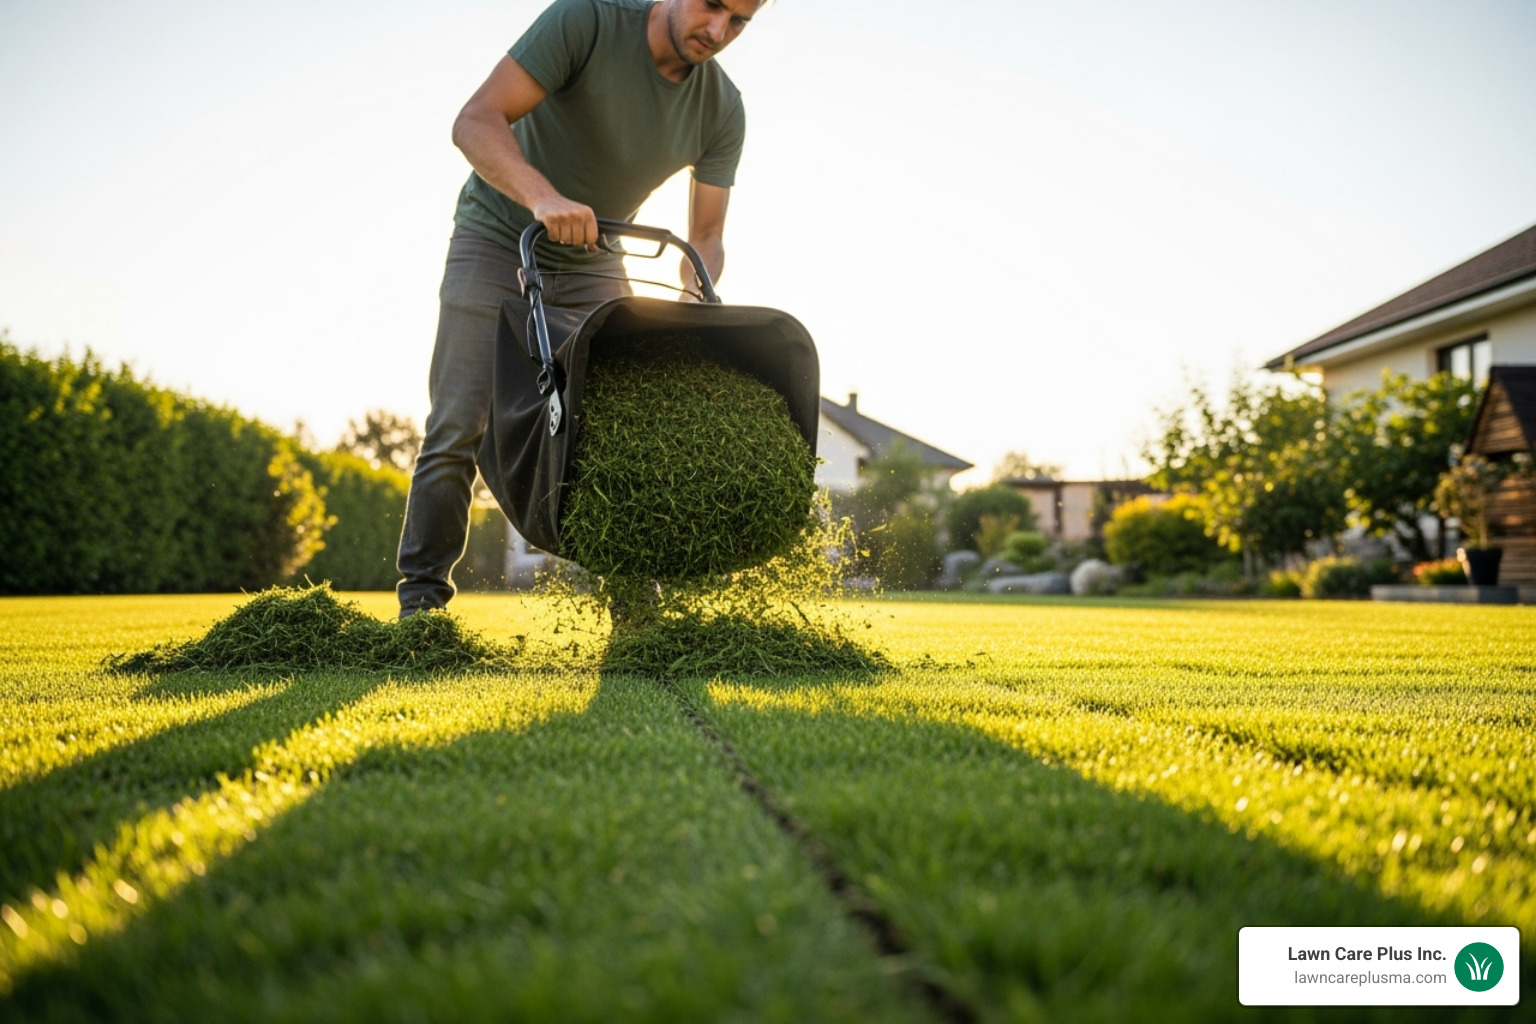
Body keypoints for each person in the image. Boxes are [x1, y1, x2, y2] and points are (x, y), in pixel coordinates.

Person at [397, 0, 764, 616]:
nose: (718, 32)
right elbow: (475, 121)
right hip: (497, 240)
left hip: (595, 263)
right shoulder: (587, 21)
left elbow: (705, 238)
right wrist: (544, 199)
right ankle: (423, 608)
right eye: (713, 6)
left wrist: (698, 294)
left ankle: (635, 610)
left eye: (741, 22)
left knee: (626, 431)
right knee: (461, 422)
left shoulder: (722, 107)